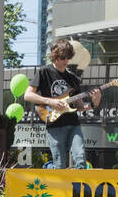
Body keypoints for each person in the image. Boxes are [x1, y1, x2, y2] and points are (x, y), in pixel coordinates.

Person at [24, 38, 101, 169]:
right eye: (62, 57)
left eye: (68, 58)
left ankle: (79, 188)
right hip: (54, 124)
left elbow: (80, 106)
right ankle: (53, 178)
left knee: (80, 158)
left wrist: (94, 103)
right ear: (55, 56)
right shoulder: (44, 72)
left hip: (73, 123)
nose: (66, 61)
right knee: (59, 164)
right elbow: (27, 95)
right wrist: (50, 101)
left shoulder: (73, 79)